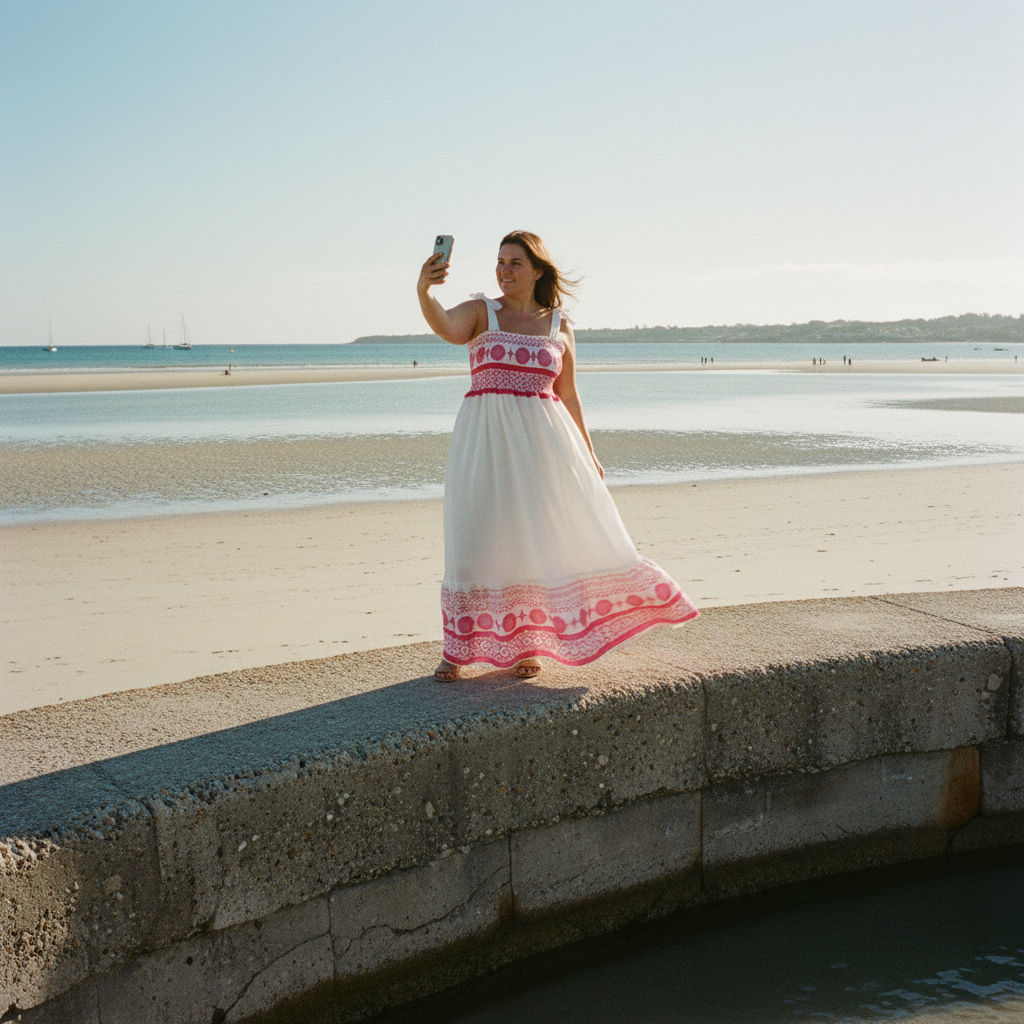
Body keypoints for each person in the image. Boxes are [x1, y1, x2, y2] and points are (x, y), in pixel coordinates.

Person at [417, 230, 699, 681]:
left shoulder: (558, 325)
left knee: (531, 542)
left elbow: (568, 394)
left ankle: (527, 645)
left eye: (515, 263)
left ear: (537, 272)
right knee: (475, 538)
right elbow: (446, 328)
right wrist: (425, 291)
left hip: (544, 447)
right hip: (485, 443)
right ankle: (457, 649)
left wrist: (589, 452)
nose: (504, 271)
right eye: (500, 261)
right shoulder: (480, 312)